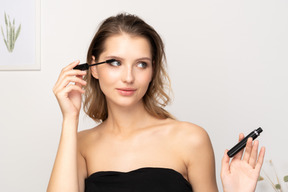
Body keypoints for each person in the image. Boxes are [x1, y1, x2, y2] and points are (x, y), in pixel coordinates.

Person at [47, 13, 265, 192]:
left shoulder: (191, 139)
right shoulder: (79, 145)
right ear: (93, 67)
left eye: (141, 64)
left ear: (152, 70)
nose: (128, 77)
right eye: (115, 62)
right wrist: (69, 119)